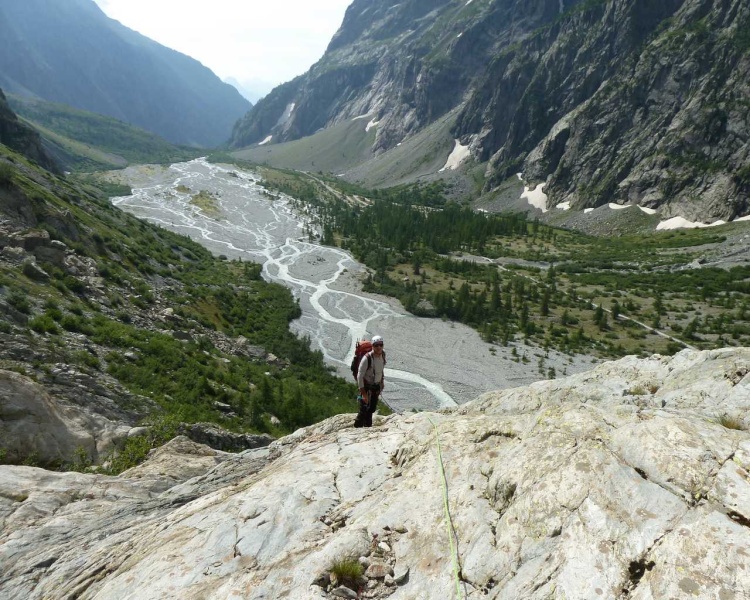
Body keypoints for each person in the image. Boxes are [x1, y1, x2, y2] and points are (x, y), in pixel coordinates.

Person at [354, 335, 386, 428]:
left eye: (381, 345)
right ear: (372, 346)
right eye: (376, 345)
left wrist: (382, 381)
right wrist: (363, 394)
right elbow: (360, 376)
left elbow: (381, 369)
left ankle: (367, 427)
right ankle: (358, 427)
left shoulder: (383, 355)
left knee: (372, 408)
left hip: (376, 386)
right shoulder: (366, 358)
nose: (379, 347)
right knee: (363, 409)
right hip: (367, 386)